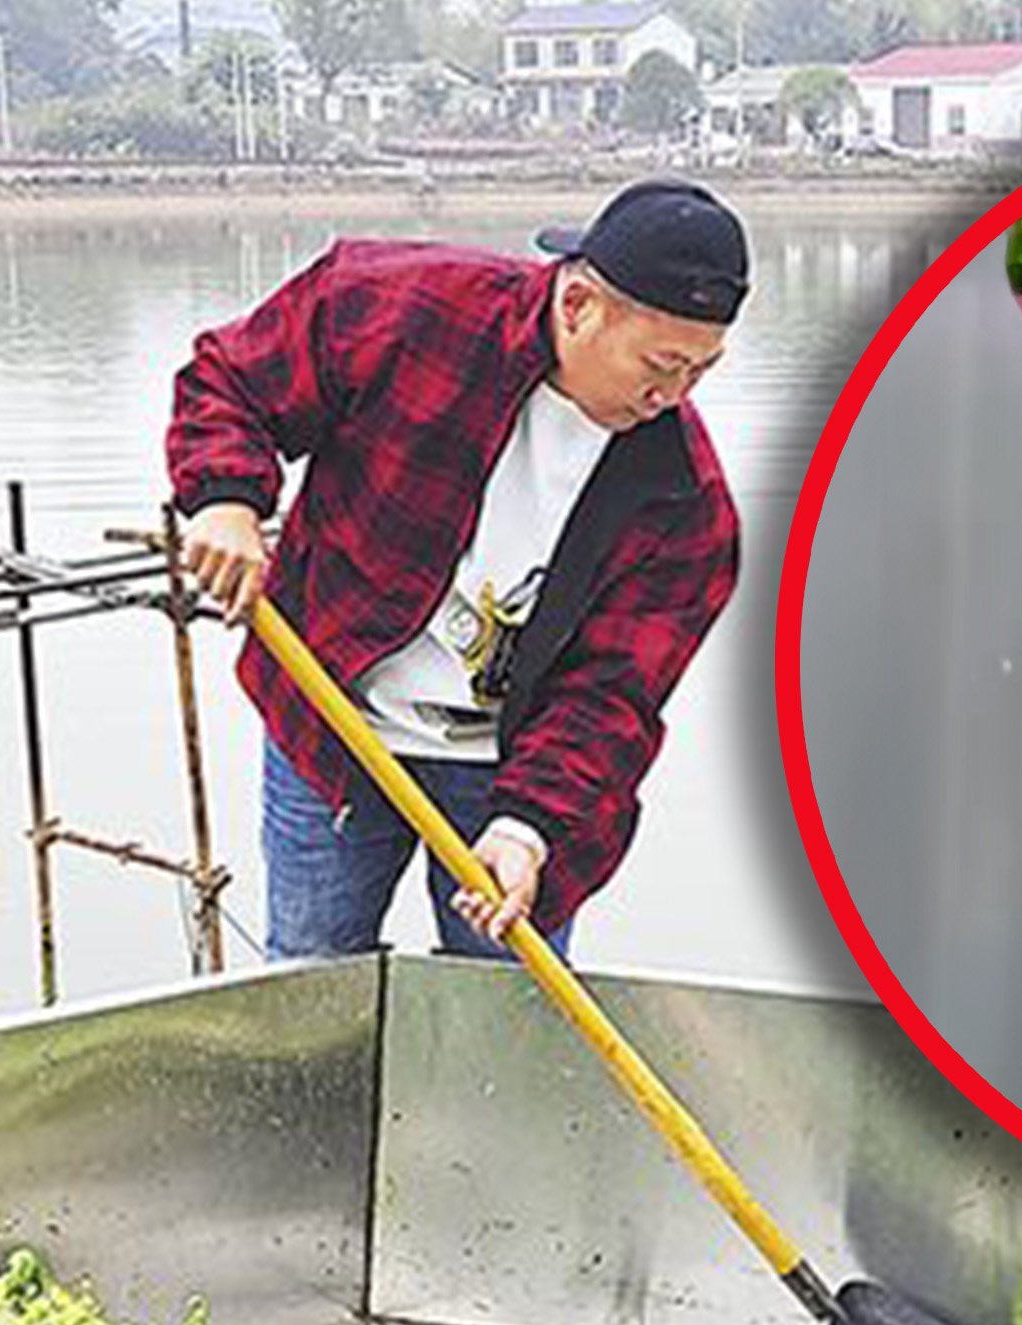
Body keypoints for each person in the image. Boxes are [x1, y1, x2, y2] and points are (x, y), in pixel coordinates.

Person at [164, 179, 749, 963]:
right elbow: (230, 381)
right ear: (578, 305)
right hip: (332, 722)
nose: (672, 395)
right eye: (661, 363)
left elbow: (612, 697)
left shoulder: (684, 504)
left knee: (508, 1015)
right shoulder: (404, 310)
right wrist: (225, 500)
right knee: (309, 981)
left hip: (510, 770)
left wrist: (528, 830)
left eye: (700, 371)